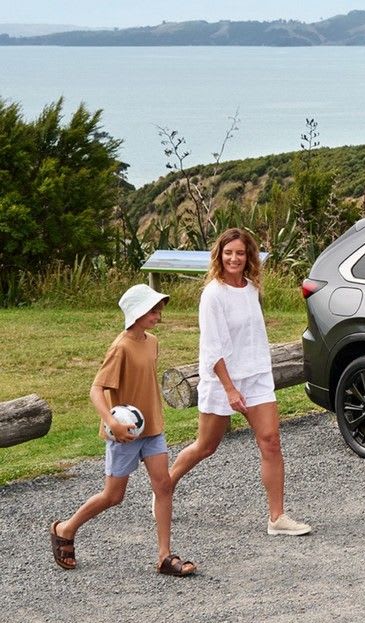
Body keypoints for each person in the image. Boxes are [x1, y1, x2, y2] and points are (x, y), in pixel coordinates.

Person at [169, 227, 311, 536]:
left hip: (257, 375)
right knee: (206, 446)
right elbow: (212, 346)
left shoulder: (251, 288)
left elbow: (252, 335)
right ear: (219, 255)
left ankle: (277, 518)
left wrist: (255, 375)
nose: (234, 258)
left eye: (241, 253)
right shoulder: (212, 294)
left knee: (271, 442)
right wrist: (230, 389)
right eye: (228, 252)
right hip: (223, 379)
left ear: (249, 257)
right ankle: (164, 487)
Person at [50, 284, 197, 576]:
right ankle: (65, 528)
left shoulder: (152, 341)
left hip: (152, 428)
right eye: (152, 310)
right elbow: (96, 389)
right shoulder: (120, 347)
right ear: (136, 313)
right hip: (125, 434)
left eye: (159, 309)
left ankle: (164, 557)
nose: (158, 314)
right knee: (113, 496)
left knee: (164, 485)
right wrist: (112, 422)